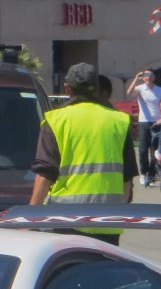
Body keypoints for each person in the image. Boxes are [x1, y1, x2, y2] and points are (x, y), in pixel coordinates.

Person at [32, 63, 136, 245]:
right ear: (97, 88)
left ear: (67, 87)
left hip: (65, 220)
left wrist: (30, 218)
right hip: (107, 222)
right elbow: (127, 179)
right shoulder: (118, 121)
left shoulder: (56, 120)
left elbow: (45, 174)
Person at [126, 69, 161, 186]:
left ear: (154, 77)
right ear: (143, 78)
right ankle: (143, 173)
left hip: (156, 122)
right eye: (146, 75)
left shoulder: (160, 90)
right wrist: (136, 78)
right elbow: (129, 92)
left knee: (155, 150)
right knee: (143, 150)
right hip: (144, 122)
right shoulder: (140, 89)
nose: (148, 77)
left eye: (150, 75)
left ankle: (152, 174)